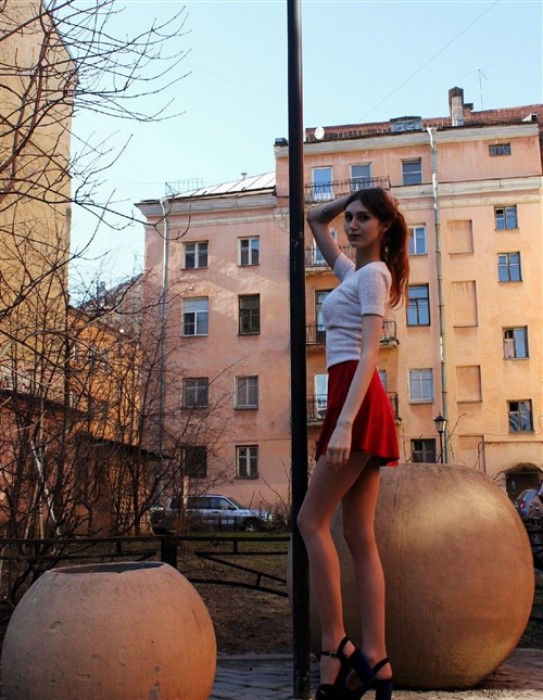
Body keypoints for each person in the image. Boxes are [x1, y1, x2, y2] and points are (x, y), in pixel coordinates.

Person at [297, 187, 409, 700]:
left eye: (365, 218)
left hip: (356, 398)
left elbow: (369, 355)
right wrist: (352, 198)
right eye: (353, 218)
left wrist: (341, 425)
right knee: (359, 535)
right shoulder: (352, 273)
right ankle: (376, 658)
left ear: (384, 226)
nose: (352, 225)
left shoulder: (373, 275)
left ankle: (334, 645)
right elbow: (315, 220)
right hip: (352, 397)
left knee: (310, 521)